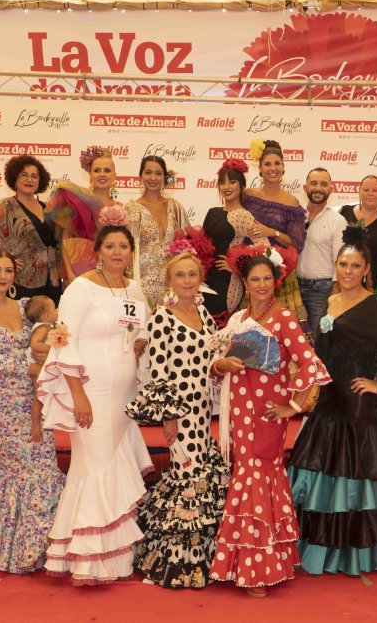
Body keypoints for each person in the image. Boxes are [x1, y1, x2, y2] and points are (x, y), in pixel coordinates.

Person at [285, 231, 377, 575]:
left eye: (354, 265)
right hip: (329, 400)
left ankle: (349, 556)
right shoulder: (330, 301)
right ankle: (320, 552)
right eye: (342, 264)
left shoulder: (373, 305)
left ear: (366, 269)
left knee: (350, 483)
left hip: (357, 405)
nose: (347, 270)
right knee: (323, 477)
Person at [37, 219, 154, 584]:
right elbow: (62, 340)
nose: (118, 253)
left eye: (123, 247)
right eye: (110, 247)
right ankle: (88, 561)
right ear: (98, 253)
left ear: (131, 252)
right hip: (91, 392)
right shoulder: (81, 288)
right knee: (94, 466)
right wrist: (77, 396)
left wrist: (139, 349)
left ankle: (116, 556)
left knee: (114, 464)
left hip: (125, 394)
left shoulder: (134, 289)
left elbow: (143, 334)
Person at [208, 249, 330, 597]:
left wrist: (293, 405)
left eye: (266, 279)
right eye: (254, 279)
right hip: (238, 414)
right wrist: (222, 366)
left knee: (259, 479)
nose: (261, 285)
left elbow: (311, 365)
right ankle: (253, 563)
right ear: (245, 284)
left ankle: (259, 569)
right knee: (248, 478)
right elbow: (218, 369)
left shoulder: (284, 317)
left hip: (267, 414)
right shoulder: (240, 318)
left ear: (275, 282)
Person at [126, 243, 228, 588]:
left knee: (200, 466)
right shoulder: (161, 318)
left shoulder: (206, 316)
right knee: (187, 471)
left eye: (192, 274)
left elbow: (214, 358)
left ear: (201, 279)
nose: (187, 280)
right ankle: (178, 563)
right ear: (169, 280)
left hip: (202, 410)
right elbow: (159, 370)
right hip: (179, 411)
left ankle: (206, 554)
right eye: (180, 275)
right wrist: (168, 416)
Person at [0, 245, 65, 574]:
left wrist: (51, 358)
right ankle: (12, 550)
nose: (3, 276)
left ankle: (48, 548)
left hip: (34, 398)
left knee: (43, 463)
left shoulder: (25, 307)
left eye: (8, 271)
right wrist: (31, 364)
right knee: (15, 471)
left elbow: (49, 338)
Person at [0, 155, 62, 303]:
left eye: (34, 176)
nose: (29, 179)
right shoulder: (6, 206)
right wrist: (4, 258)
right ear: (14, 178)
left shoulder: (48, 207)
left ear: (40, 181)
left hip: (51, 277)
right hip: (22, 279)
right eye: (24, 175)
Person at [242, 139, 307, 323]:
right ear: (260, 169)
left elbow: (297, 243)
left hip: (281, 276)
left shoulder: (291, 202)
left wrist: (272, 231)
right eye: (267, 164)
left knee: (282, 328)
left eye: (277, 163)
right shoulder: (248, 196)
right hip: (253, 272)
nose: (273, 168)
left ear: (283, 167)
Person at [47, 145, 119, 283]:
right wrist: (69, 272)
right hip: (80, 273)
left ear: (114, 176)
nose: (102, 174)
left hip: (111, 273)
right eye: (97, 170)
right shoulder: (77, 203)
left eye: (107, 170)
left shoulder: (121, 209)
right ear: (90, 175)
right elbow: (65, 242)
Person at [127, 155, 189, 307]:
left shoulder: (175, 207)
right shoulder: (131, 209)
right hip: (140, 283)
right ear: (140, 176)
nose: (153, 177)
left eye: (158, 173)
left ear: (165, 177)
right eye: (148, 172)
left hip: (172, 283)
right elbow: (126, 250)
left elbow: (187, 245)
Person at [201, 159, 257, 326]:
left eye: (232, 182)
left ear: (241, 185)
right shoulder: (212, 212)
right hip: (205, 281)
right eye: (222, 182)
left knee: (223, 331)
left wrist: (237, 266)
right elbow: (204, 245)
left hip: (227, 283)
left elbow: (264, 250)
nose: (227, 187)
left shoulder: (244, 215)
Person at [297, 167, 346, 339]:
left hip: (322, 291)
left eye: (323, 184)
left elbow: (341, 260)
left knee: (317, 339)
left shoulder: (337, 221)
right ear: (305, 188)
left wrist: (336, 289)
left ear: (330, 190)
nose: (318, 188)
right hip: (293, 288)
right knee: (295, 340)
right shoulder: (295, 216)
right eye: (314, 183)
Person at [339, 175, 377, 290]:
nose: (370, 193)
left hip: (375, 286)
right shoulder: (343, 212)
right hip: (344, 281)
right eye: (366, 190)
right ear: (359, 191)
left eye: (375, 190)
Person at [24, 296, 58, 366]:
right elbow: (34, 344)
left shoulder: (48, 325)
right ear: (47, 316)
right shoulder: (43, 328)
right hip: (33, 361)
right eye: (55, 309)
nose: (57, 310)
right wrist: (51, 349)